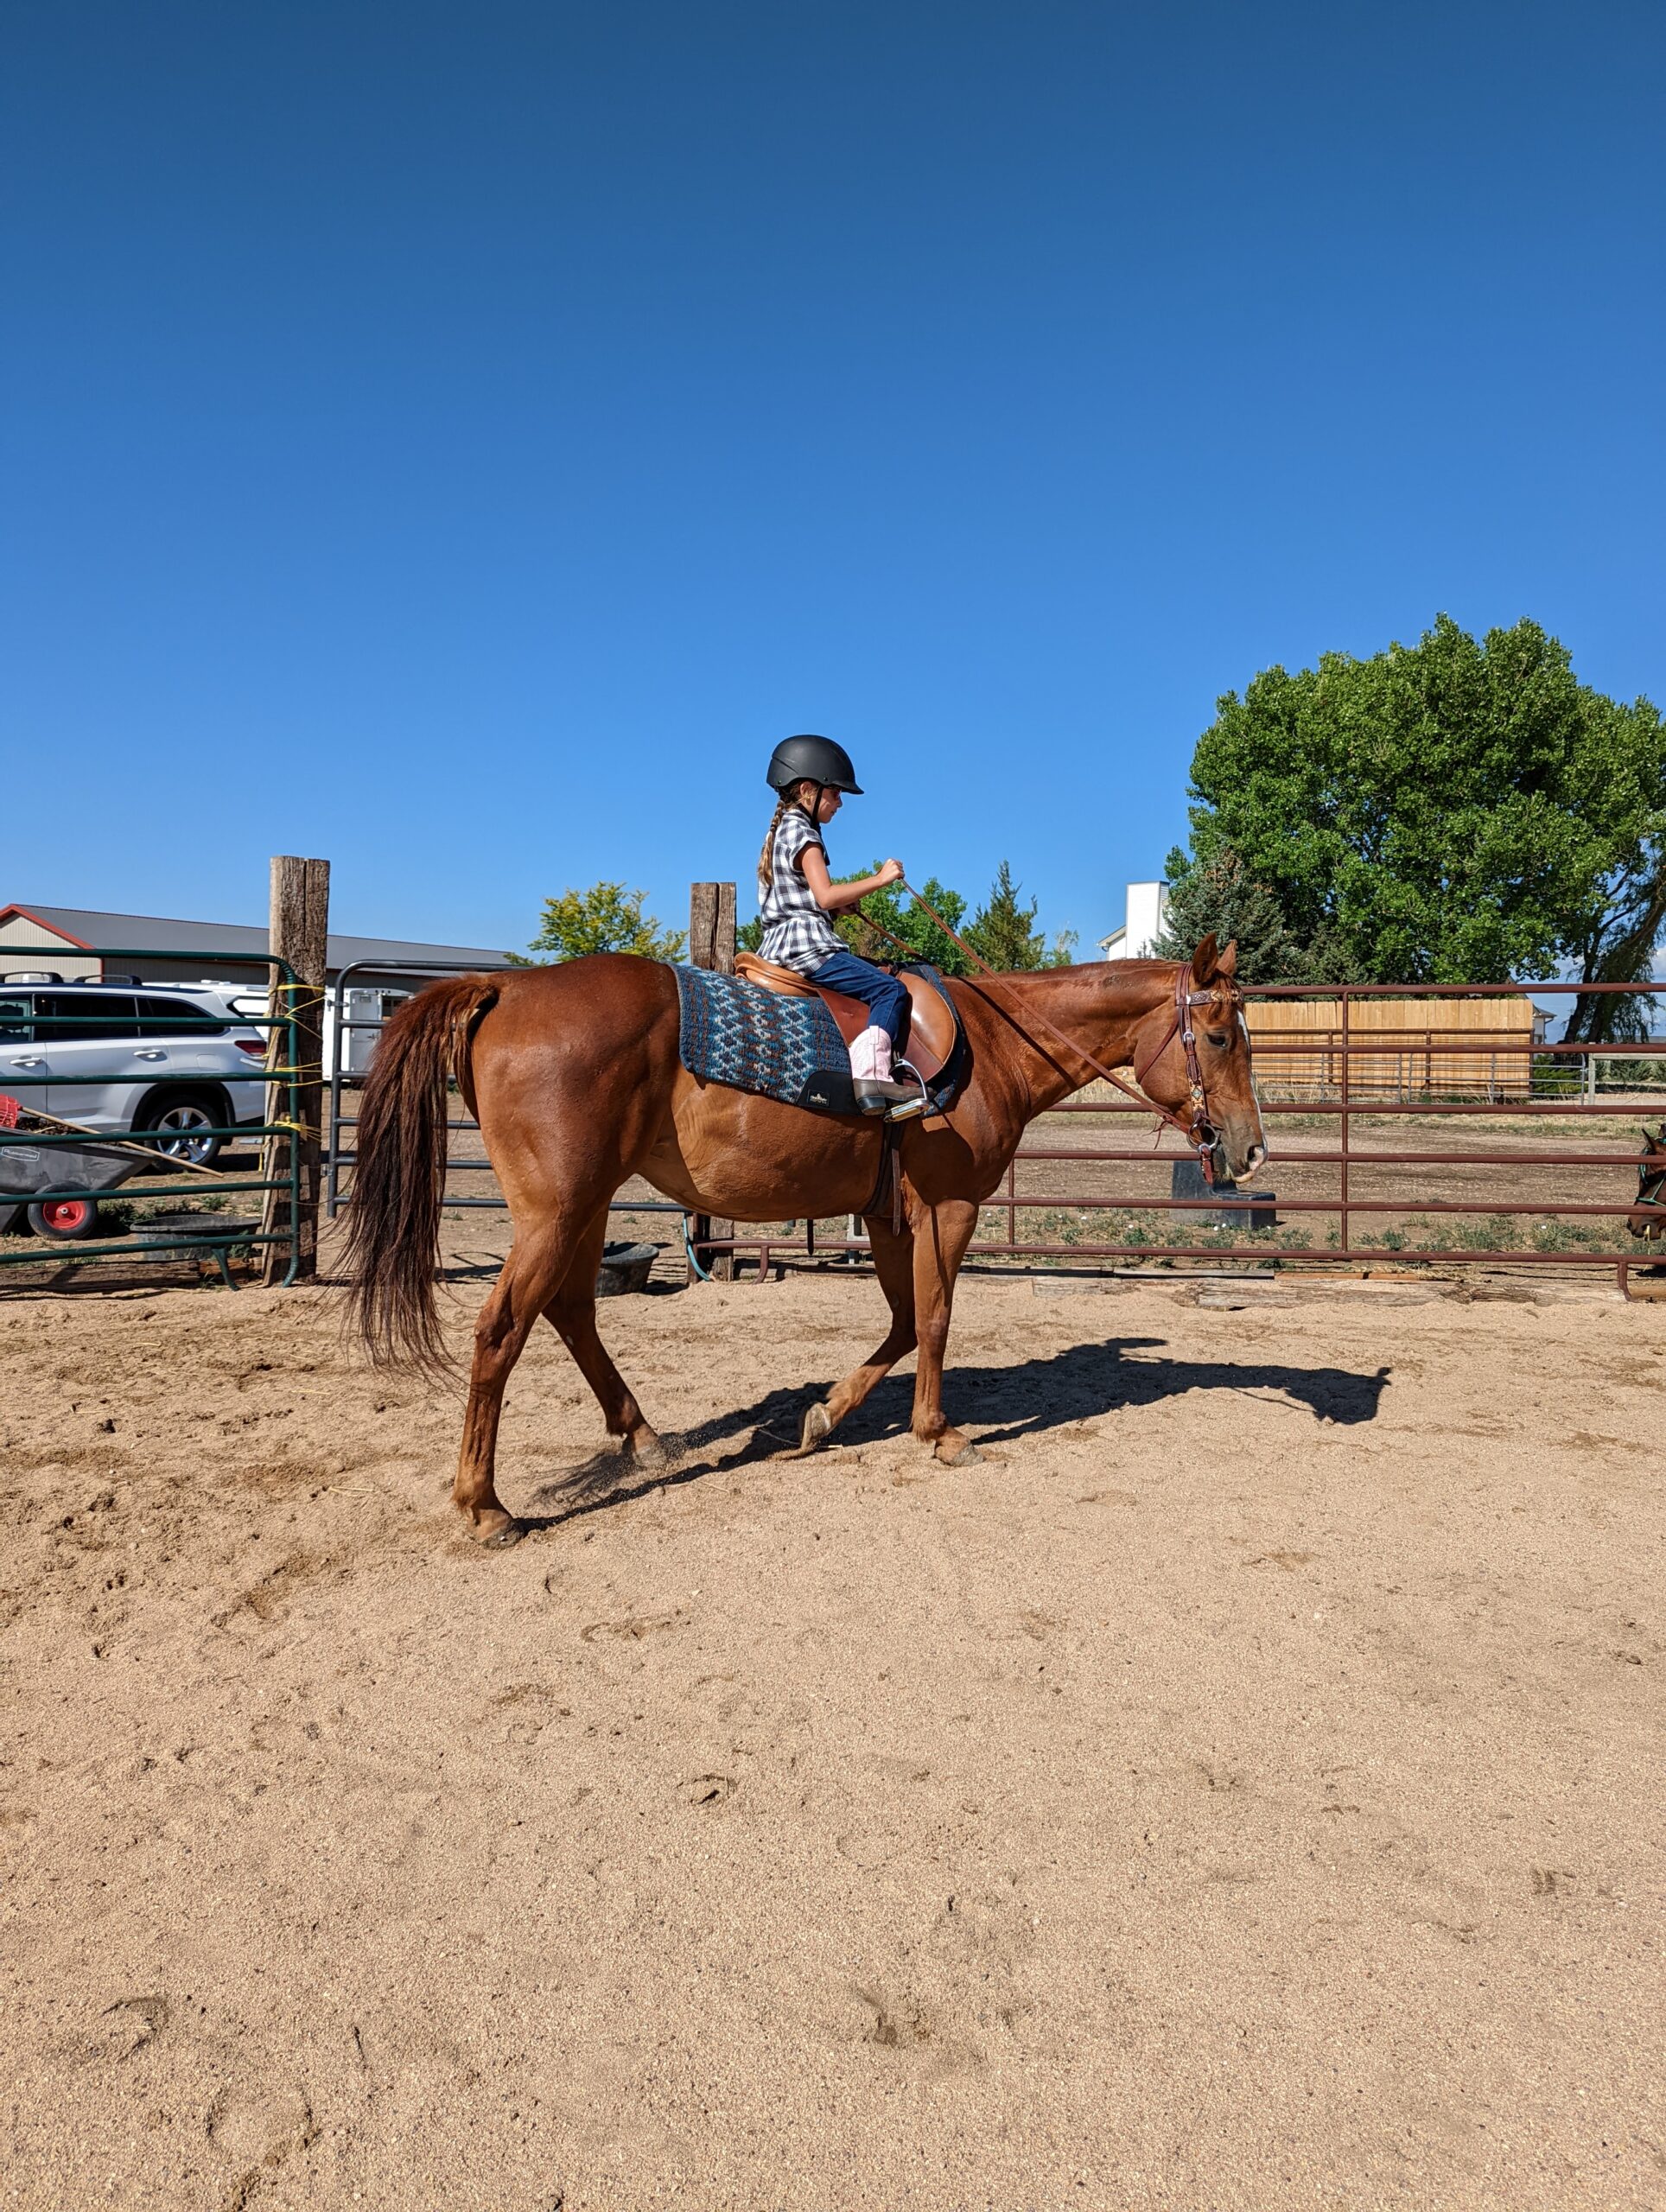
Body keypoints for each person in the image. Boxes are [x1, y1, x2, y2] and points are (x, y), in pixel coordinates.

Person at [757, 734, 917, 1114]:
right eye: (835, 793)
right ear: (807, 790)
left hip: (779, 945)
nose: (840, 802)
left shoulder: (780, 831)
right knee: (891, 990)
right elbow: (826, 895)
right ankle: (872, 1078)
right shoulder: (804, 833)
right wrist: (880, 879)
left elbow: (807, 899)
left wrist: (837, 909)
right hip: (807, 948)